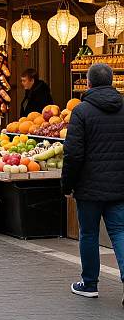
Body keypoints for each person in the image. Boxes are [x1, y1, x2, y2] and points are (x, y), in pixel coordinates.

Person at [63, 63, 124, 302]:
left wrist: (67, 185)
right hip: (119, 186)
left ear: (88, 83)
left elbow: (73, 154)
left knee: (88, 234)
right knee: (120, 232)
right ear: (111, 82)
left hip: (88, 188)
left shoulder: (82, 111)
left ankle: (89, 284)